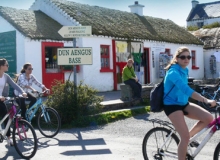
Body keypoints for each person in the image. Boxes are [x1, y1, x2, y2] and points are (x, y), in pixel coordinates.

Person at [163, 46, 216, 160]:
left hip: (183, 103)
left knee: (208, 118)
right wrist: (206, 100)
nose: (186, 59)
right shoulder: (173, 72)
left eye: (188, 57)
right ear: (176, 58)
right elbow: (185, 89)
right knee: (184, 137)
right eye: (183, 57)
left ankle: (188, 139)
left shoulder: (185, 70)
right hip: (171, 106)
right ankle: (185, 141)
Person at [0, 58, 27, 146]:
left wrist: (22, 92)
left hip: (2, 99)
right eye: (6, 65)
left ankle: (8, 138)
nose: (8, 66)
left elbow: (14, 85)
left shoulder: (6, 76)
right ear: (1, 66)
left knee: (6, 116)